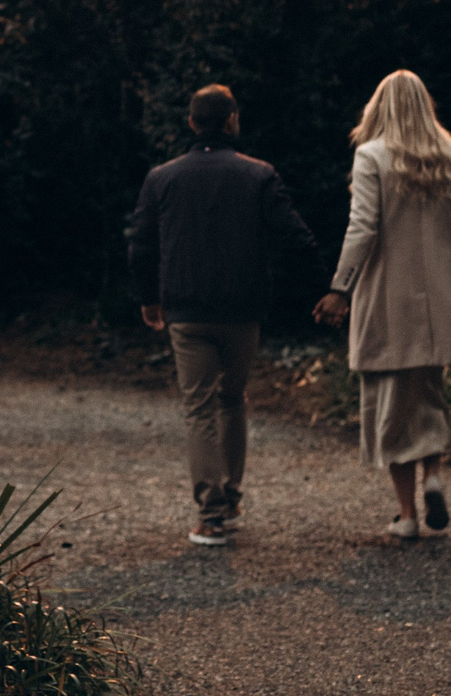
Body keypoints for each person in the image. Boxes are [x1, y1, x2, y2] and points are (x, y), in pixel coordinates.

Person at [127, 83, 320, 547]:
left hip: (187, 311)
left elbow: (141, 244)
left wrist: (149, 298)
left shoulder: (162, 178)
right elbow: (295, 237)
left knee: (199, 408)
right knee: (232, 398)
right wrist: (325, 288)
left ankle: (210, 515)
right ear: (232, 119)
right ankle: (230, 497)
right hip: (243, 310)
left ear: (192, 123)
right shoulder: (258, 175)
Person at [313, 69, 451, 541]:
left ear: (379, 108)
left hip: (384, 302)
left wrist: (340, 288)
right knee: (428, 393)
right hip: (438, 304)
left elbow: (362, 227)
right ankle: (432, 476)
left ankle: (407, 515)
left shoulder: (371, 156)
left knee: (388, 404)